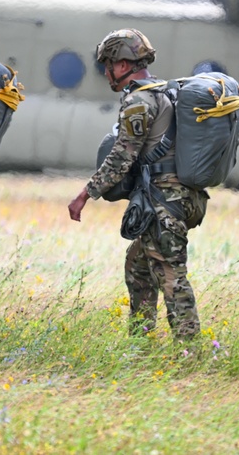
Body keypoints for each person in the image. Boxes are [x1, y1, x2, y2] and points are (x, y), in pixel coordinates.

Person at [68, 29, 208, 340]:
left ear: (122, 64)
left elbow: (122, 156)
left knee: (172, 276)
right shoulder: (163, 92)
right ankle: (140, 344)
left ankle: (191, 352)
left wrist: (85, 194)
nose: (107, 73)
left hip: (163, 202)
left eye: (109, 65)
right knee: (138, 268)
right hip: (174, 197)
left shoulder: (139, 100)